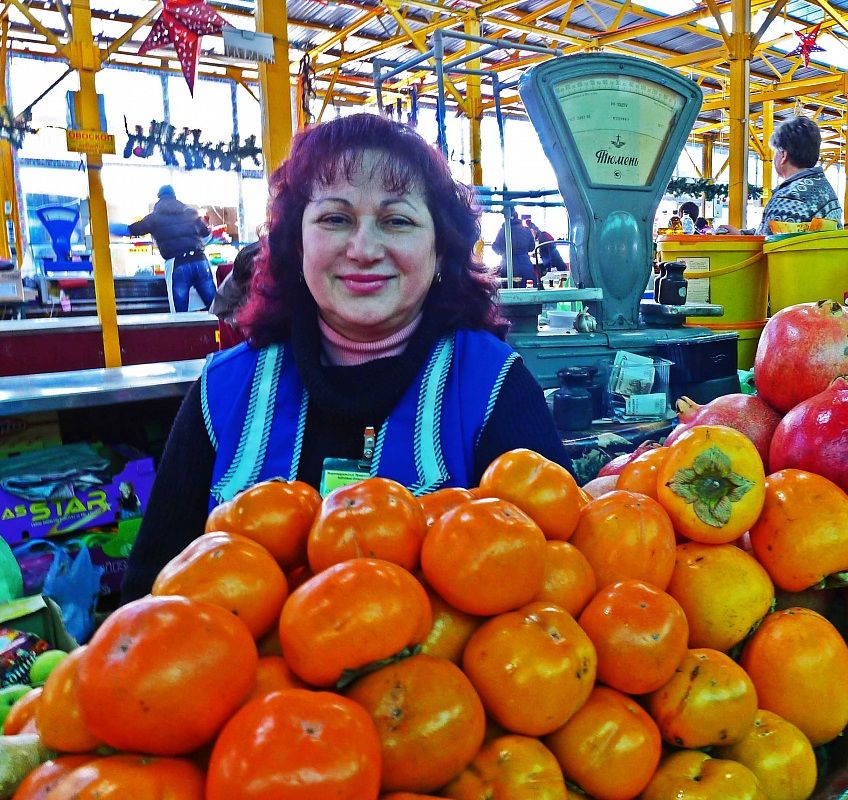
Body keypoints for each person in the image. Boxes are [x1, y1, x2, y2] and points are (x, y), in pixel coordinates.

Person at [121, 114, 571, 601]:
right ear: (296, 242)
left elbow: (557, 586)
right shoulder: (223, 393)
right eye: (335, 219)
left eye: (396, 220)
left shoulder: (492, 386)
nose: (363, 249)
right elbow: (150, 599)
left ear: (441, 248)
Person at [113, 186, 216, 312]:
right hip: (200, 261)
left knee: (179, 312)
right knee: (215, 307)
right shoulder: (190, 212)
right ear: (174, 196)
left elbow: (130, 230)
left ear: (159, 197)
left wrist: (108, 227)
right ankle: (223, 329)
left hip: (177, 263)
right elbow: (207, 236)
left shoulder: (154, 218)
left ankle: (182, 331)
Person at [756, 116, 841, 234]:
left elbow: (766, 245)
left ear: (783, 155)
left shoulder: (789, 197)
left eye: (776, 152)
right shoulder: (824, 189)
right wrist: (743, 234)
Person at [491, 209, 537, 285]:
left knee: (509, 292)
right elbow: (532, 247)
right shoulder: (526, 230)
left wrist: (503, 251)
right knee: (528, 290)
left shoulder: (503, 230)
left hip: (507, 265)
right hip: (525, 265)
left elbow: (496, 248)